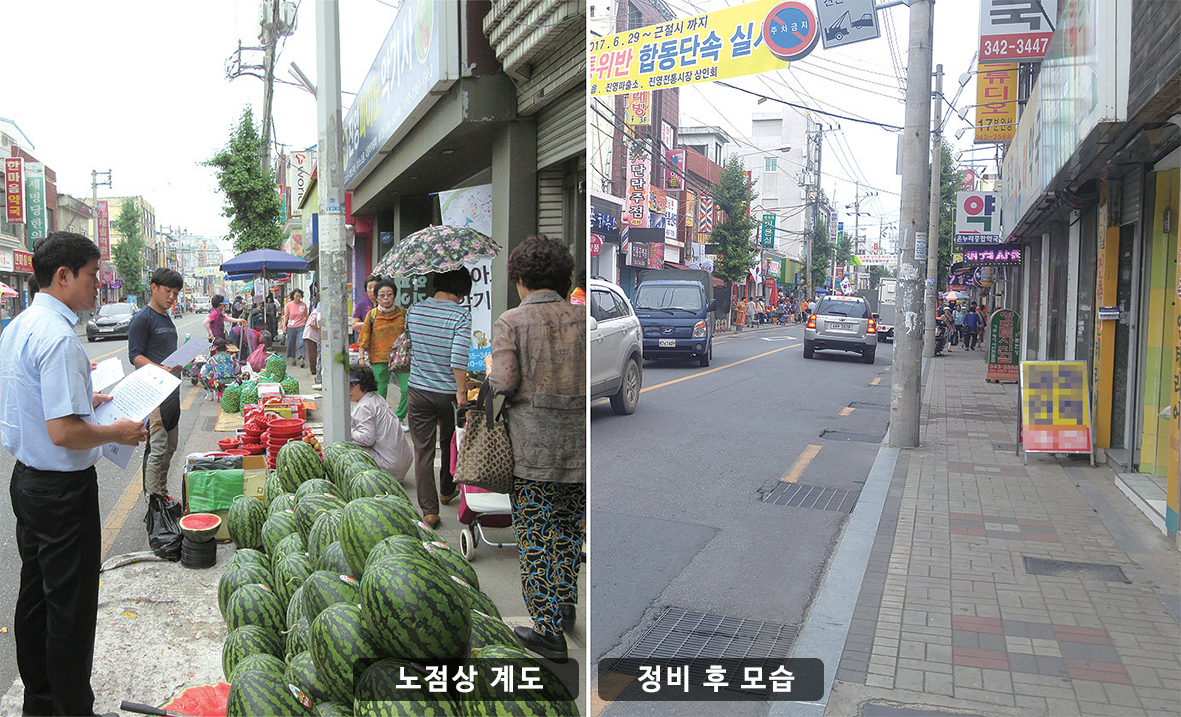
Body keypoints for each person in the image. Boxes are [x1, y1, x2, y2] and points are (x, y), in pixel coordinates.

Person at [0, 232, 147, 717]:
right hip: (62, 492)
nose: (98, 285)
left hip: (27, 482)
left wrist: (91, 401)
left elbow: (38, 402)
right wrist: (117, 433)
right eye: (91, 274)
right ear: (63, 276)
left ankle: (39, 702)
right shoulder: (60, 336)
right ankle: (68, 708)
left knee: (36, 595)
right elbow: (63, 432)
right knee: (70, 607)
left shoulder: (19, 326)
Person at [487, 235, 586, 662]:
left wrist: (489, 376)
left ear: (521, 280)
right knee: (567, 528)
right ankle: (565, 605)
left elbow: (504, 382)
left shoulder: (511, 322)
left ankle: (547, 631)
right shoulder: (584, 319)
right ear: (564, 279)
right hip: (580, 451)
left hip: (533, 451)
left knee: (536, 536)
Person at [404, 268, 472, 529]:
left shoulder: (414, 310)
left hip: (418, 390)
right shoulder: (460, 315)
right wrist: (462, 391)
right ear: (460, 290)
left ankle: (429, 511)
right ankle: (446, 489)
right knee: (450, 444)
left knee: (423, 450)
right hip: (447, 393)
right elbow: (458, 357)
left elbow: (412, 344)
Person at [128, 268, 185, 498]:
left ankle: (162, 492)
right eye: (168, 291)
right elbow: (135, 356)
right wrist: (160, 370)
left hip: (172, 393)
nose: (172, 297)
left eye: (176, 293)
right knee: (157, 449)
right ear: (153, 288)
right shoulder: (142, 319)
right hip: (154, 395)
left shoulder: (167, 318)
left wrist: (177, 365)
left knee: (170, 449)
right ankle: (154, 501)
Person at [348, 365, 413, 481]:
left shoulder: (365, 406)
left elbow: (366, 438)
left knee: (346, 446)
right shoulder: (376, 398)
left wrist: (347, 429)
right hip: (400, 464)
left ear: (364, 384)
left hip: (389, 468)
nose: (348, 390)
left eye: (352, 385)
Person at [357, 279, 409, 420]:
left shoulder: (402, 312)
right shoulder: (372, 315)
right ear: (376, 297)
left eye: (389, 294)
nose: (386, 298)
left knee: (407, 388)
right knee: (380, 390)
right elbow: (365, 336)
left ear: (395, 295)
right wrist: (361, 358)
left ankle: (399, 417)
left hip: (401, 358)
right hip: (379, 358)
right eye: (382, 295)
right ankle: (382, 418)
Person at [282, 289, 309, 368]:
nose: (298, 298)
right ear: (293, 296)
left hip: (301, 325)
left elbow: (306, 316)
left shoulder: (303, 305)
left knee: (301, 342)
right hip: (291, 326)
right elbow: (286, 316)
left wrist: (308, 325)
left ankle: (301, 359)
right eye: (296, 296)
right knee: (291, 343)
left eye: (299, 296)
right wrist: (284, 326)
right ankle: (293, 358)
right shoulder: (289, 305)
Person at [305, 298, 322, 389]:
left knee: (316, 354)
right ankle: (313, 370)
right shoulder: (316, 312)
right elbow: (312, 323)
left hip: (315, 336)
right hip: (310, 335)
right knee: (313, 353)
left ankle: (315, 371)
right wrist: (322, 326)